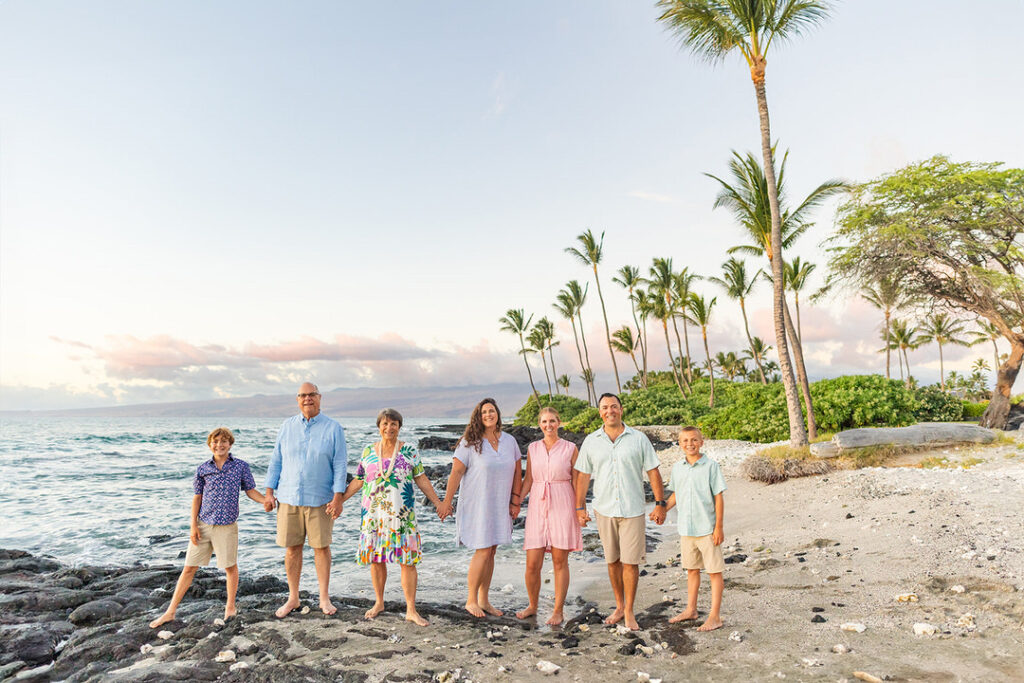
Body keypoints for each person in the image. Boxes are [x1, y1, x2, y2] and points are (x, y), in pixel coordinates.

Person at [339, 408, 445, 626]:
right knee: (376, 560)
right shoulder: (368, 451)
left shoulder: (409, 451)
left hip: (402, 516)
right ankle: (379, 602)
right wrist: (340, 500)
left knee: (407, 562)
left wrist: (438, 502)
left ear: (399, 427)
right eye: (385, 424)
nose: (389, 428)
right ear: (379, 426)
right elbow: (359, 480)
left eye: (394, 424)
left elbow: (422, 479)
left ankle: (411, 610)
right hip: (373, 515)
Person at [150, 427, 265, 628]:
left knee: (230, 567)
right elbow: (197, 499)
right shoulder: (203, 469)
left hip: (227, 526)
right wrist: (193, 525)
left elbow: (250, 490)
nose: (219, 445)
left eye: (223, 441)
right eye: (215, 441)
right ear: (210, 444)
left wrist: (265, 500)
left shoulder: (240, 467)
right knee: (188, 568)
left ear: (230, 444)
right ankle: (170, 612)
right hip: (203, 524)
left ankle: (230, 607)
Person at [575, 392, 666, 631]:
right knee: (612, 560)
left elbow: (653, 472)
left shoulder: (638, 439)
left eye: (614, 406)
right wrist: (579, 507)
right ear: (600, 412)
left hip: (632, 508)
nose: (610, 411)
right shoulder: (591, 441)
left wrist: (660, 503)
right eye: (605, 407)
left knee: (630, 562)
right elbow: (583, 476)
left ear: (621, 409)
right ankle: (618, 605)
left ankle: (629, 611)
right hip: (604, 509)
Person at [264, 382, 348, 617]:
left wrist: (338, 497)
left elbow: (340, 465)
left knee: (321, 548)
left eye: (311, 395)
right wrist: (269, 492)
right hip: (288, 497)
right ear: (297, 399)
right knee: (292, 549)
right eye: (302, 395)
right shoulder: (287, 426)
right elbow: (276, 461)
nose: (307, 399)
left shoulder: (333, 428)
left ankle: (324, 598)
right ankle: (293, 598)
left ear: (319, 398)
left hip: (320, 499)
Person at [438, 398, 522, 618]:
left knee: (492, 550)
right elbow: (456, 473)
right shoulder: (469, 442)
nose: (488, 415)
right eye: (484, 412)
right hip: (478, 504)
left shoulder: (509, 441)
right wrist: (447, 502)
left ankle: (484, 599)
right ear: (478, 416)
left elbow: (517, 472)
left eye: (491, 411)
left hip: (500, 504)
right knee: (483, 549)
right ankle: (471, 599)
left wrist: (515, 501)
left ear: (498, 414)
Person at [515, 406, 582, 626]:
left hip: (563, 501)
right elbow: (528, 480)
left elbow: (577, 480)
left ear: (559, 422)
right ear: (540, 424)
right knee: (532, 562)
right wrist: (516, 502)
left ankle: (558, 610)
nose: (548, 425)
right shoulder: (533, 448)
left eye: (552, 421)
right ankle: (532, 606)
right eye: (544, 422)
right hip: (537, 504)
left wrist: (580, 508)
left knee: (559, 560)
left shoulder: (570, 448)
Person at [659, 426, 726, 632]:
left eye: (694, 440)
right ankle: (691, 609)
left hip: (707, 528)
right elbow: (675, 495)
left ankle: (715, 616)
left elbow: (718, 497)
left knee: (714, 571)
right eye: (685, 441)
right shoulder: (678, 468)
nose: (690, 444)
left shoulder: (711, 466)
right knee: (692, 570)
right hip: (686, 529)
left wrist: (719, 527)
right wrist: (662, 510)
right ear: (679, 444)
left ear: (701, 442)